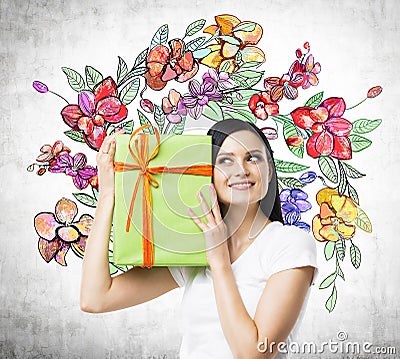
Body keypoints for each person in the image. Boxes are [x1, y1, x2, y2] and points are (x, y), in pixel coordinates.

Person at [80, 119, 318, 359]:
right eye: (225, 160)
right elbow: (96, 298)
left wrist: (219, 262)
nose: (241, 169)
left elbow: (253, 354)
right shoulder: (194, 249)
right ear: (207, 174)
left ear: (269, 172)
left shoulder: (289, 244)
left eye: (252, 158)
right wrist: (108, 194)